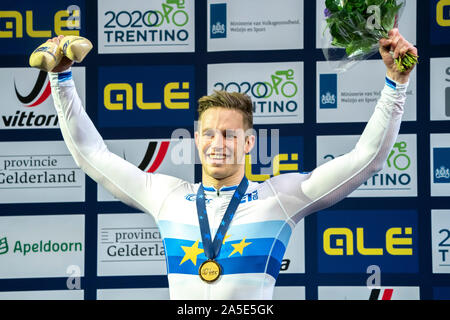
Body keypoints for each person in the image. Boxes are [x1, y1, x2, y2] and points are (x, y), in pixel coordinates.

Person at [47, 29, 417, 299]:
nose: (218, 144)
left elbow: (365, 160)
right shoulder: (167, 196)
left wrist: (396, 84)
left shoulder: (280, 197)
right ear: (196, 139)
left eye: (229, 135)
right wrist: (60, 78)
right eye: (209, 134)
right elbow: (92, 155)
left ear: (249, 142)